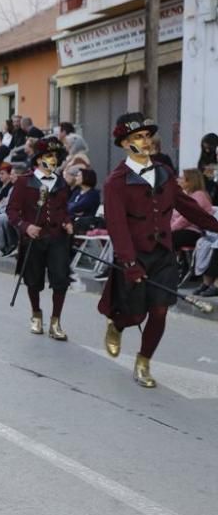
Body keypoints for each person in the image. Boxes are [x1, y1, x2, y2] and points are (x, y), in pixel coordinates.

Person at [98, 114, 218, 387]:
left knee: (160, 311)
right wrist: (129, 263)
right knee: (134, 314)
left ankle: (143, 361)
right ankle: (117, 325)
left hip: (163, 254)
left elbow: (189, 208)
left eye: (147, 135)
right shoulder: (115, 182)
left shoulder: (164, 174)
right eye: (138, 137)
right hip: (134, 256)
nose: (146, 141)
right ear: (125, 144)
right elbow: (117, 227)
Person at [6, 136, 72, 342]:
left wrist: (68, 222)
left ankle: (55, 321)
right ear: (38, 159)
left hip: (58, 238)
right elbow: (12, 211)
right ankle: (36, 313)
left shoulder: (61, 183)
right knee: (33, 281)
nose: (52, 160)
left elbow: (64, 210)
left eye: (55, 156)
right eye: (48, 156)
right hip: (34, 240)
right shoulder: (24, 182)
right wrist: (26, 227)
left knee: (60, 280)